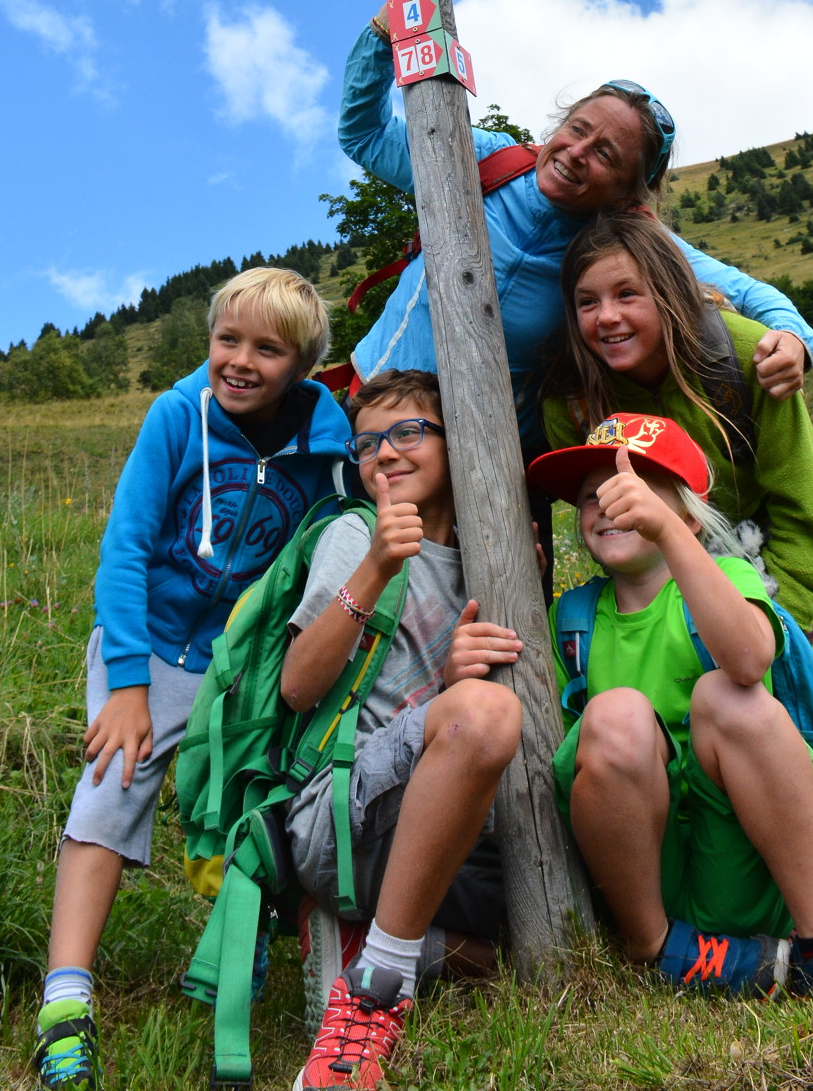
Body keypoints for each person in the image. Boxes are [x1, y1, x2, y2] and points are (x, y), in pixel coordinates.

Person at [34, 268, 353, 1091]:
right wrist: (129, 684)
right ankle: (65, 1007)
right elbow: (126, 548)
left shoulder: (329, 446)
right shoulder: (179, 415)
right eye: (227, 340)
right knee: (112, 780)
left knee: (247, 808)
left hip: (239, 662)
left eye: (267, 349)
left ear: (303, 365)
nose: (240, 361)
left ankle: (234, 968)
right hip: (149, 644)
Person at [526, 412, 813, 1005]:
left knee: (730, 693)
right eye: (590, 495)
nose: (609, 504)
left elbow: (750, 658)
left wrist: (670, 538)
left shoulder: (728, 576)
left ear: (686, 511)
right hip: (639, 873)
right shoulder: (570, 620)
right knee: (615, 715)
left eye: (636, 488)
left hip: (742, 857)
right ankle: (656, 949)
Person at [337, 12, 813, 459]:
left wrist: (795, 341)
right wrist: (382, 34)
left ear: (630, 192)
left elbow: (751, 295)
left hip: (481, 468)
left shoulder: (625, 245)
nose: (576, 152)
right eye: (576, 129)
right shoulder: (488, 162)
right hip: (370, 417)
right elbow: (365, 135)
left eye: (606, 154)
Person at [282, 369, 523, 1091]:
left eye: (408, 433)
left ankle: (359, 939)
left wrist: (452, 690)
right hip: (338, 814)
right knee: (483, 713)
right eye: (366, 444)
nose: (384, 454)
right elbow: (298, 685)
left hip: (436, 827)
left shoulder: (495, 557)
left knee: (533, 929)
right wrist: (378, 566)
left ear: (458, 442)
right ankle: (373, 991)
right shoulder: (356, 533)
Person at [542, 212, 813, 628]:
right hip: (666, 556)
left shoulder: (748, 354)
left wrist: (781, 626)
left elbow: (799, 506)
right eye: (587, 301)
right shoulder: (572, 402)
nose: (606, 316)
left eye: (627, 294)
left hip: (777, 535)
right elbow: (609, 523)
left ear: (670, 293)